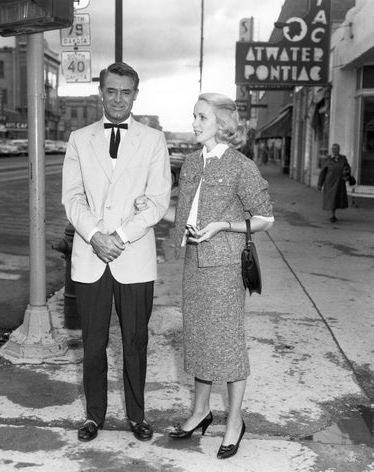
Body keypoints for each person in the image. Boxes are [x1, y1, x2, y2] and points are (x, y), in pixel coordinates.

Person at [138, 92, 273, 459]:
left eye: (201, 117)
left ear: (222, 124)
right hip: (195, 266)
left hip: (226, 268)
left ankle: (235, 422)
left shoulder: (240, 166)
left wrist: (222, 226)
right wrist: (148, 206)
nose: (194, 123)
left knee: (227, 345)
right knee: (198, 339)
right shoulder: (194, 162)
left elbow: (264, 218)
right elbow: (184, 216)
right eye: (194, 116)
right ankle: (200, 412)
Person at [61, 62, 172, 443]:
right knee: (92, 344)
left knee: (135, 342)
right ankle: (94, 416)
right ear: (101, 93)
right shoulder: (79, 139)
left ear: (135, 95)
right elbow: (72, 198)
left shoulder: (154, 140)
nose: (118, 99)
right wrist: (95, 236)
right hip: (91, 257)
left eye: (126, 92)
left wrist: (119, 236)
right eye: (111, 91)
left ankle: (137, 416)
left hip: (134, 257)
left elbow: (158, 202)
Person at [317, 143, 352, 222]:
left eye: (335, 149)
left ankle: (334, 214)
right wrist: (320, 184)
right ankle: (332, 215)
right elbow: (322, 172)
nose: (334, 151)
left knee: (337, 199)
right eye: (332, 149)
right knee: (331, 199)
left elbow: (347, 168)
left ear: (338, 150)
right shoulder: (328, 159)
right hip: (330, 182)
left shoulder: (343, 159)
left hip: (339, 182)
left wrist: (347, 174)